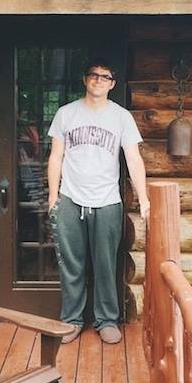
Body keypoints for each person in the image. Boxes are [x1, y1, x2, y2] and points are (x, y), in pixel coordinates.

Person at [47, 57, 150, 345]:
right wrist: (54, 196)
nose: (98, 80)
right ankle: (71, 319)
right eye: (93, 75)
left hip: (106, 201)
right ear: (85, 79)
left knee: (106, 263)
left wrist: (144, 199)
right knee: (72, 263)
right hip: (70, 198)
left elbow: (133, 159)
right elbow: (56, 156)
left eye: (105, 77)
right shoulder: (66, 114)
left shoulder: (121, 117)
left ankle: (107, 319)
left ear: (112, 84)